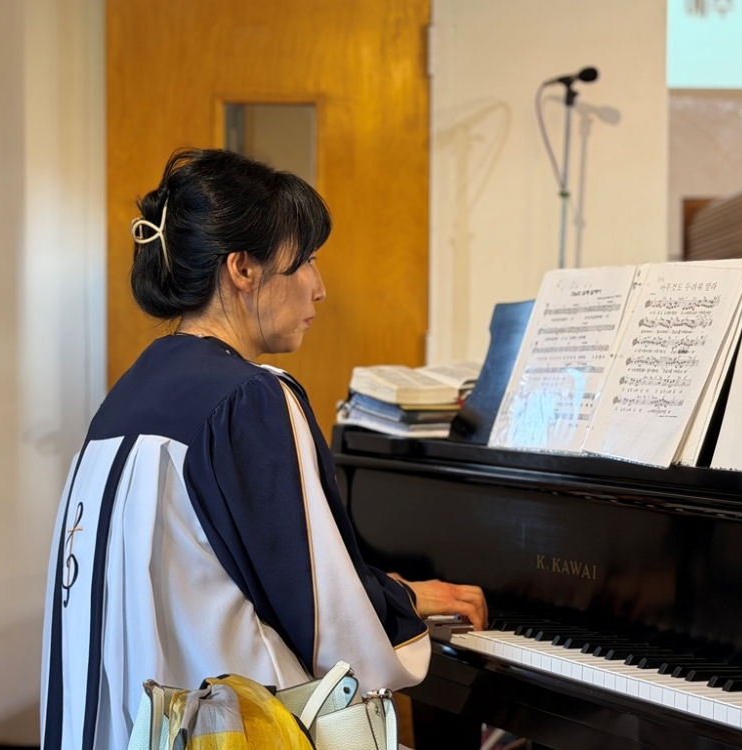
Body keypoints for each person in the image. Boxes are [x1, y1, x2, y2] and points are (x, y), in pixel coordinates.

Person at [40, 148, 487, 750]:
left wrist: (372, 585)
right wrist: (401, 600)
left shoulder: (123, 399)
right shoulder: (249, 399)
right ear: (243, 269)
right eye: (306, 261)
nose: (319, 289)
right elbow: (333, 629)